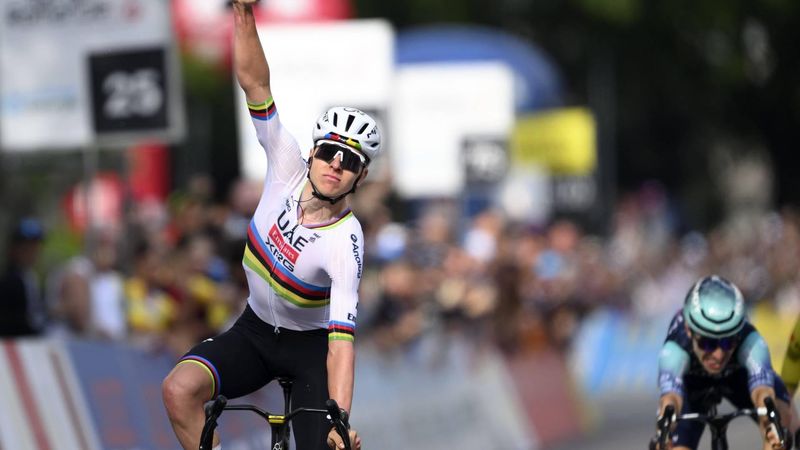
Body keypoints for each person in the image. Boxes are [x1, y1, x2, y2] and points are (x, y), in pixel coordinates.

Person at [161, 1, 375, 448]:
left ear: (361, 175)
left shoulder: (345, 239)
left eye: (350, 161)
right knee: (179, 390)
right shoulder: (285, 166)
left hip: (310, 351)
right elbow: (255, 84)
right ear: (312, 152)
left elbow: (341, 343)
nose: (336, 164)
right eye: (328, 152)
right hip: (254, 332)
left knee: (331, 445)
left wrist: (340, 418)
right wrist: (244, 14)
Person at [653, 275, 792, 450]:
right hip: (692, 384)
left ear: (738, 332)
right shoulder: (675, 349)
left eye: (728, 342)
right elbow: (671, 398)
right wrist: (667, 422)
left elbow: (763, 391)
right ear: (689, 331)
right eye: (708, 343)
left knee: (780, 423)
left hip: (738, 377)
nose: (718, 355)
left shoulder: (751, 341)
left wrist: (770, 418)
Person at [0, 218, 48, 337]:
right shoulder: (10, 281)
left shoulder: (31, 277)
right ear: (14, 249)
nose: (33, 252)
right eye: (26, 248)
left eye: (35, 247)